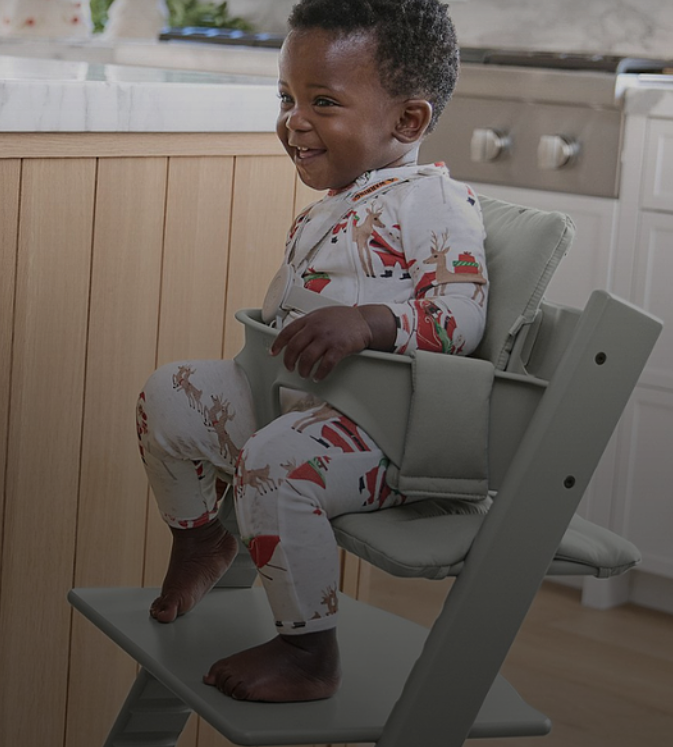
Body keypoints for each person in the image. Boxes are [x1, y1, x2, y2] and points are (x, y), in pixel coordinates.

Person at [135, 0, 488, 703]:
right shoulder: (335, 201)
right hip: (295, 403)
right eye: (287, 97)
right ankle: (202, 534)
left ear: (407, 122)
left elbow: (460, 316)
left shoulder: (435, 202)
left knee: (273, 461)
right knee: (169, 393)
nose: (294, 119)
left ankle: (307, 650)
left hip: (382, 438)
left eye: (322, 101)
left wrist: (368, 321)